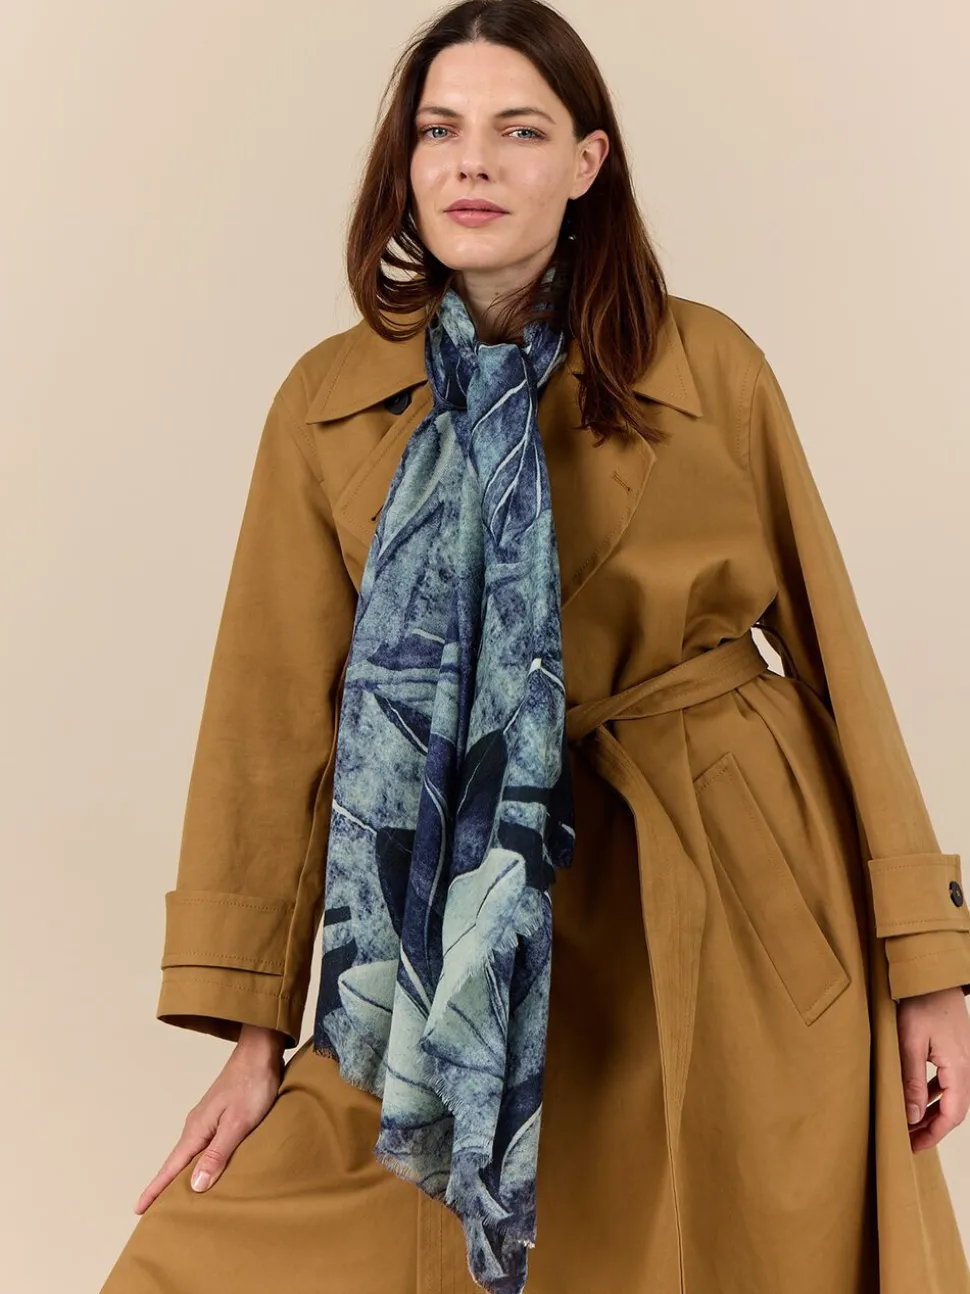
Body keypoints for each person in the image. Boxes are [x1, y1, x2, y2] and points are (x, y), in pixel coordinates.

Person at [100, 2, 970, 1292]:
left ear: (586, 162)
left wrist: (928, 967)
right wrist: (251, 1033)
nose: (473, 162)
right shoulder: (329, 403)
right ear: (405, 162)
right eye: (439, 130)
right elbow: (270, 724)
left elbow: (838, 656)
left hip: (717, 890)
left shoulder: (706, 365)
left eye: (519, 130)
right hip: (444, 930)